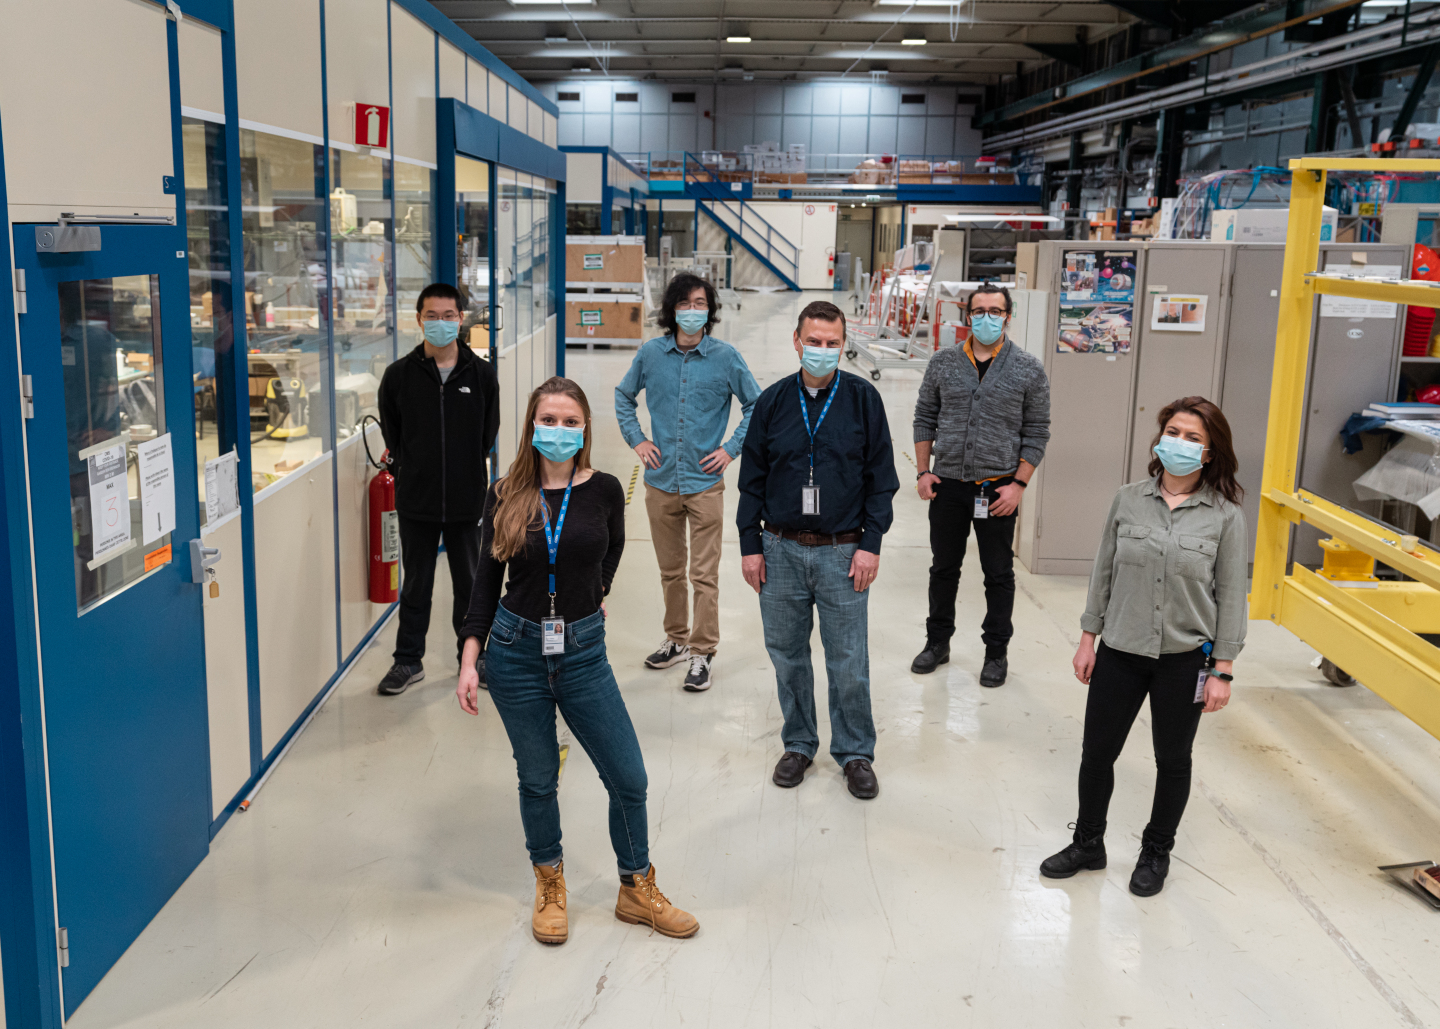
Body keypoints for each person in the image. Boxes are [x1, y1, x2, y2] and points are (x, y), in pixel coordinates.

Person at [456, 377, 699, 945]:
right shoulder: (504, 494)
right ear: (531, 425)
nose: (558, 431)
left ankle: (635, 888)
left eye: (570, 422)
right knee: (538, 779)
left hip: (585, 650)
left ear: (585, 428)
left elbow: (611, 546)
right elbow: (484, 584)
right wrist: (471, 658)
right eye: (548, 420)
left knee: (629, 777)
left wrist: (595, 591)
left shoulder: (607, 489)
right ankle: (549, 883)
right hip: (516, 650)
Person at [1040, 396, 1246, 898]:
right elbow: (1103, 571)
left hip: (1185, 658)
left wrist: (1222, 670)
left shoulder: (1225, 517)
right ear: (1158, 438)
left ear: (1211, 452)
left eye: (1193, 437)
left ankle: (1156, 851)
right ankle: (1089, 843)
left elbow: (1232, 596)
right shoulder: (1128, 498)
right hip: (1121, 649)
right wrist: (1087, 639)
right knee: (1097, 754)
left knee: (1173, 759)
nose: (1180, 442)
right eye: (1173, 431)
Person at [737, 300, 899, 800]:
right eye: (815, 342)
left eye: (832, 344)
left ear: (843, 344)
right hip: (780, 549)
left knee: (848, 659)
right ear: (796, 341)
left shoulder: (863, 399)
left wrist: (870, 546)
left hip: (842, 551)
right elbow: (752, 482)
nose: (823, 351)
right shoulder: (772, 402)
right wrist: (750, 546)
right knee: (787, 656)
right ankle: (799, 743)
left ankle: (854, 752)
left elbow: (881, 482)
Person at [615, 273, 761, 692]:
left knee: (704, 574)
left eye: (700, 303)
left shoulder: (726, 357)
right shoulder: (650, 355)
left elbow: (755, 404)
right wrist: (638, 439)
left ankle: (703, 651)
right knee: (670, 570)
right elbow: (624, 396)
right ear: (671, 309)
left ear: (709, 310)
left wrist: (731, 448)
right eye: (685, 303)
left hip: (704, 482)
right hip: (661, 481)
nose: (693, 310)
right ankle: (676, 639)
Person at [911, 282, 1050, 687]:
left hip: (998, 490)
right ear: (967, 314)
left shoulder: (1028, 368)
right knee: (944, 568)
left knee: (998, 573)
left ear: (1009, 316)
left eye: (996, 311)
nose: (987, 318)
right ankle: (937, 643)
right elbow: (924, 416)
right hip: (949, 486)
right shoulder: (942, 362)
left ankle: (996, 653)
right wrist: (924, 471)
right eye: (979, 311)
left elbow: (1037, 431)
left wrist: (1019, 485)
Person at [375, 283, 500, 696]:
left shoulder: (481, 375)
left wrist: (465, 472)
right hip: (417, 502)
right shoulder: (398, 377)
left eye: (449, 316)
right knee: (415, 586)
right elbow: (395, 435)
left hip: (466, 501)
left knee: (470, 586)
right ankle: (408, 660)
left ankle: (476, 659)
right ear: (419, 319)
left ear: (461, 320)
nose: (441, 322)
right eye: (433, 315)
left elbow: (487, 434)